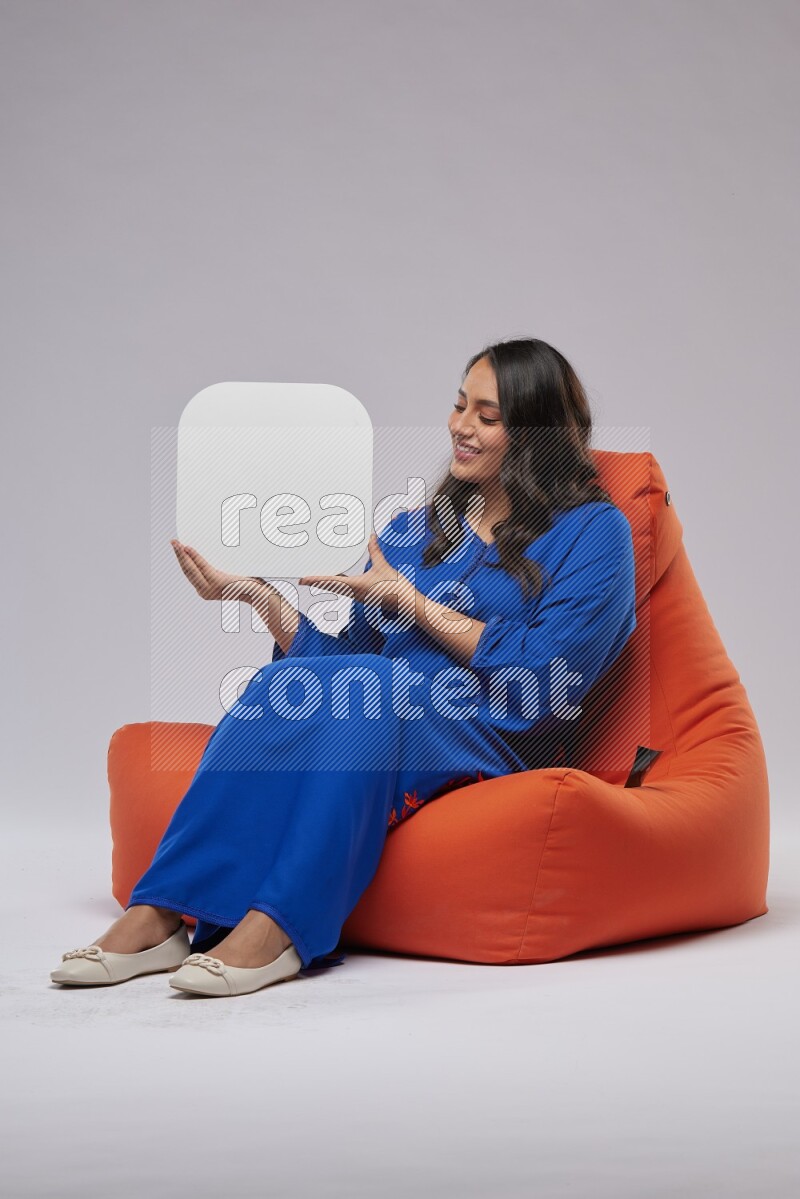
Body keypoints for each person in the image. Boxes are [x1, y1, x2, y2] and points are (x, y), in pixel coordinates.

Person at [50, 337, 637, 998]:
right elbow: (349, 662)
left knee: (378, 689)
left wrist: (413, 603)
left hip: (493, 733)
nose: (460, 426)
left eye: (487, 415)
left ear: (535, 435)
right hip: (385, 711)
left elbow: (546, 675)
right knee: (284, 682)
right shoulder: (416, 531)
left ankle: (282, 924)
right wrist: (261, 598)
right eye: (457, 405)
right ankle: (158, 911)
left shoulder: (595, 533)